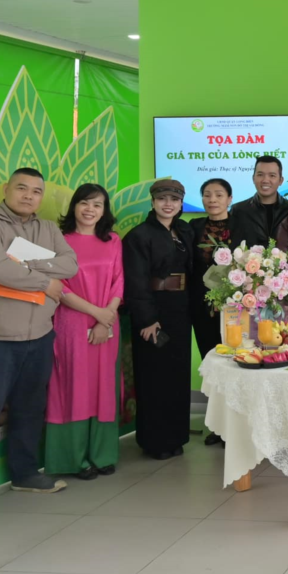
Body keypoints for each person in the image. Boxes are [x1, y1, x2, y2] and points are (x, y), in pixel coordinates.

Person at [0, 168, 77, 520]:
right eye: (21, 188)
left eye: (36, 191)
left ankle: (25, 474)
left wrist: (26, 263)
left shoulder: (48, 228)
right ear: (6, 189)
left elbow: (69, 265)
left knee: (30, 408)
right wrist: (44, 281)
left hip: (39, 334)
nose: (28, 195)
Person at [47, 183, 124, 479]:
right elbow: (60, 288)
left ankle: (102, 455)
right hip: (72, 324)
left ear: (104, 210)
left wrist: (106, 319)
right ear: (74, 206)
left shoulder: (113, 240)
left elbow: (119, 281)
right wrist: (97, 315)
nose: (90, 209)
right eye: (85, 203)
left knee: (104, 387)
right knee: (74, 387)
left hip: (107, 323)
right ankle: (73, 459)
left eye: (97, 204)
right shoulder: (59, 240)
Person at [123, 180, 195, 460]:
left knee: (177, 375)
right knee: (154, 376)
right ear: (152, 202)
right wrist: (147, 319)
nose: (168, 204)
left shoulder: (184, 231)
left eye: (174, 199)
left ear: (181, 203)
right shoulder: (139, 236)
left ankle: (176, 436)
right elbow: (135, 280)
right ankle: (155, 441)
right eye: (162, 198)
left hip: (180, 309)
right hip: (154, 311)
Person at [188, 178, 232, 446]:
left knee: (234, 362)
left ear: (229, 199)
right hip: (202, 305)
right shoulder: (193, 228)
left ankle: (235, 425)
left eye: (218, 194)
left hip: (235, 307)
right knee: (211, 361)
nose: (212, 200)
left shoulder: (242, 226)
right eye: (207, 194)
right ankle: (217, 426)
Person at [229, 155, 288, 249]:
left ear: (281, 180)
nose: (265, 180)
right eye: (260, 175)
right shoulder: (238, 210)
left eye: (272, 175)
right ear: (253, 178)